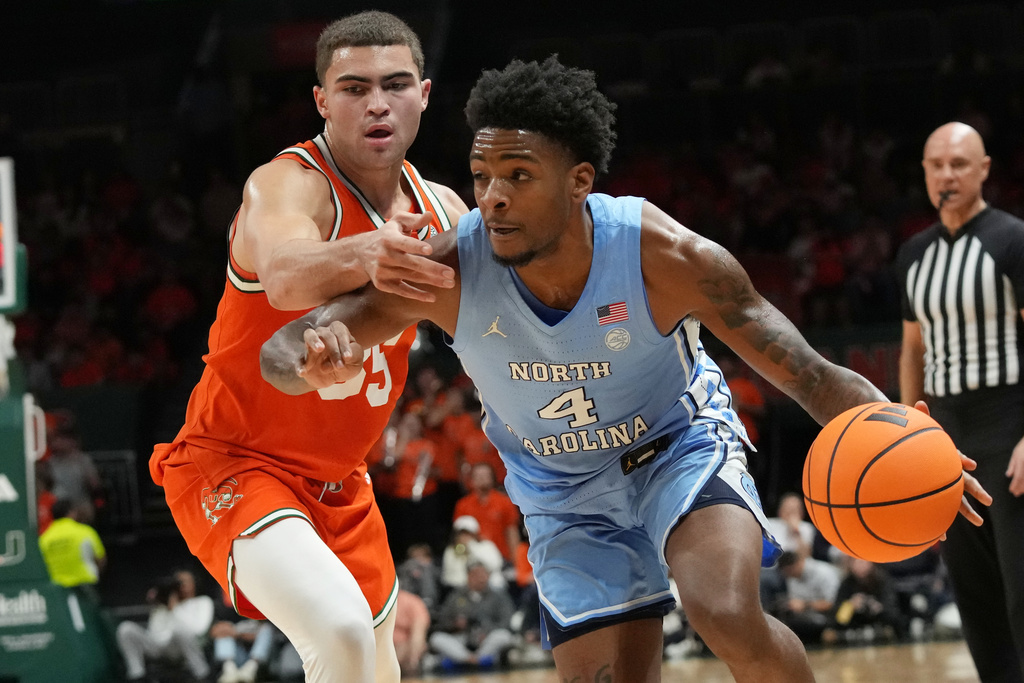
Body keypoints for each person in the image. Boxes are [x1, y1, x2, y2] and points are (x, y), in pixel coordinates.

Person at [261, 56, 988, 682]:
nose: (492, 196)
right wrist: (315, 358)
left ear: (580, 181)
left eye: (519, 174)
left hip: (677, 447)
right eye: (482, 175)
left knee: (725, 609)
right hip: (560, 489)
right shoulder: (449, 266)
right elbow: (284, 350)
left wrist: (908, 441)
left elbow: (808, 372)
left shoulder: (665, 256)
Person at [147, 10, 468, 683]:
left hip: (343, 482)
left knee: (378, 670)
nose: (377, 103)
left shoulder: (441, 210)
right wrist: (372, 250)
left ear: (425, 94)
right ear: (322, 100)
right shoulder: (285, 183)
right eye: (353, 88)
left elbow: (499, 324)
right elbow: (286, 276)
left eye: (395, 84)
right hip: (235, 462)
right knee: (342, 632)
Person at [897, 120, 1024, 682]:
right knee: (974, 595)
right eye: (936, 165)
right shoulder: (913, 255)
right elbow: (911, 352)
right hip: (945, 435)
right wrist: (907, 434)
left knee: (1021, 589)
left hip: (1009, 424)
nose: (946, 175)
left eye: (959, 164)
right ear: (924, 171)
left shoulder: (1013, 240)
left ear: (984, 170)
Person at [116, 575, 212, 682]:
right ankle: (138, 676)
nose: (183, 586)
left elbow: (198, 630)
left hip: (180, 649)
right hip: (158, 647)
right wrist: (156, 604)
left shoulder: (202, 602)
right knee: (126, 629)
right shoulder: (161, 607)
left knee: (181, 631)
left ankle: (203, 676)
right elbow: (154, 633)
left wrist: (175, 608)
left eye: (185, 582)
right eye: (179, 583)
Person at [428, 561, 516, 671]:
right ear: (468, 576)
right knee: (436, 638)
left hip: (487, 639)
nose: (481, 578)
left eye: (484, 574)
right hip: (462, 639)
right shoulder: (455, 596)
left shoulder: (499, 596)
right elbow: (443, 620)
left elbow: (506, 621)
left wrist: (487, 631)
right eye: (476, 575)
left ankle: (476, 659)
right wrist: (455, 625)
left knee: (503, 636)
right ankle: (468, 659)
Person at [452, 462, 520, 562]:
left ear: (492, 478)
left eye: (485, 475)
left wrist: (516, 560)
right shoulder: (463, 505)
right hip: (471, 558)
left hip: (502, 557)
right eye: (478, 476)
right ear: (471, 480)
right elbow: (459, 536)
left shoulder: (505, 502)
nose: (482, 479)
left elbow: (512, 532)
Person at [38, 497, 106, 591]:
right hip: (85, 583)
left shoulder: (44, 538)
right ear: (71, 513)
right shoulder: (85, 532)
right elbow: (100, 558)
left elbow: (40, 565)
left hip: (57, 587)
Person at [774, 550, 840, 645]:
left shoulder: (824, 573)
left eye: (789, 571)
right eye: (786, 573)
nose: (789, 575)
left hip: (830, 617)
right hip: (806, 617)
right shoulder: (791, 577)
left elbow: (833, 603)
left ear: (798, 563)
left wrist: (806, 605)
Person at [440, 515, 506, 591]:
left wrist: (471, 546)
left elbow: (495, 565)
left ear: (475, 534)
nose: (464, 537)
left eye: (468, 534)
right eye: (461, 534)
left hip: (488, 587)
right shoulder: (451, 550)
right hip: (461, 588)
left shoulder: (486, 546)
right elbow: (449, 576)